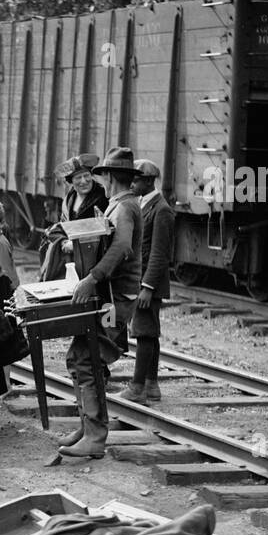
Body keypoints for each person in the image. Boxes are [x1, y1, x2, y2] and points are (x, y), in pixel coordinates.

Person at [59, 146, 143, 458]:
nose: (101, 182)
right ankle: (88, 426)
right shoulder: (116, 206)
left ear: (110, 177)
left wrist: (90, 278)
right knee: (78, 357)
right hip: (107, 297)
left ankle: (94, 436)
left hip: (114, 302)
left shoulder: (123, 209)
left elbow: (120, 247)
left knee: (88, 359)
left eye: (103, 176)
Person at [119, 159, 176, 404]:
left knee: (143, 332)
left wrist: (147, 287)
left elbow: (159, 254)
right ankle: (152, 386)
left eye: (136, 180)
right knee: (150, 333)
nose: (132, 184)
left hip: (148, 285)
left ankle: (137, 387)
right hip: (143, 283)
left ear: (148, 181)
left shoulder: (161, 209)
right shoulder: (146, 204)